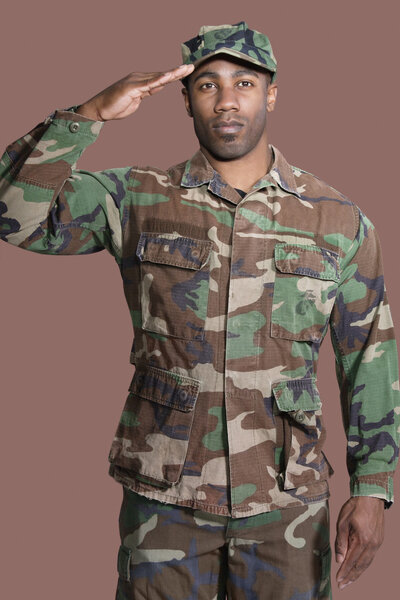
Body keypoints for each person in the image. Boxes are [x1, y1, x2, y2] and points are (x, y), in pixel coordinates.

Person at [0, 20, 398, 600]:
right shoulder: (136, 197)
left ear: (272, 94)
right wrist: (89, 114)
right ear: (185, 99)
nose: (228, 100)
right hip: (166, 498)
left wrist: (374, 486)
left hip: (286, 503)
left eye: (245, 82)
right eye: (208, 84)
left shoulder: (336, 220)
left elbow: (370, 358)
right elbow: (14, 212)